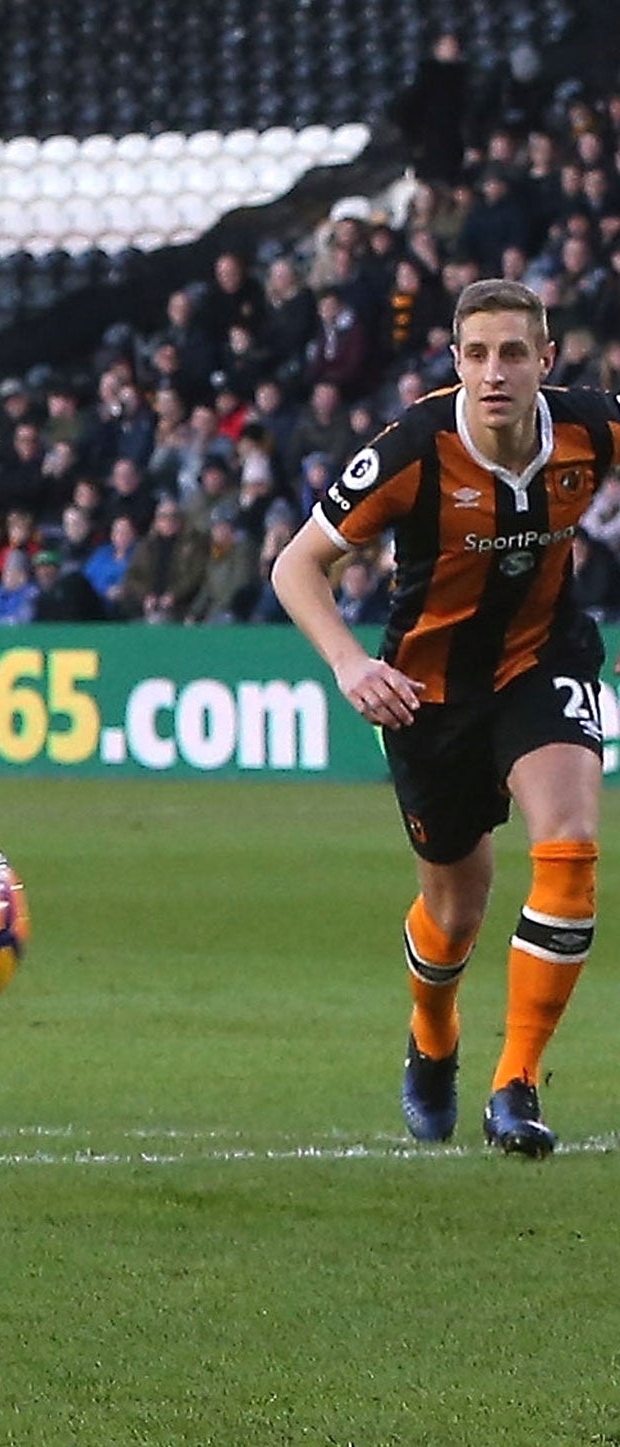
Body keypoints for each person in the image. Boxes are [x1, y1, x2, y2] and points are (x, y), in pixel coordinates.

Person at [271, 278, 613, 1158]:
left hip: (544, 662)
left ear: (546, 359)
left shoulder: (591, 429)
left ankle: (517, 1083)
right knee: (456, 912)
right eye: (475, 354)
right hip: (427, 697)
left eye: (511, 353)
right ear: (454, 362)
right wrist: (351, 664)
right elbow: (295, 566)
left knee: (569, 847)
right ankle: (433, 1035)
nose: (493, 372)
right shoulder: (415, 447)